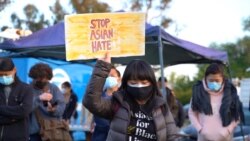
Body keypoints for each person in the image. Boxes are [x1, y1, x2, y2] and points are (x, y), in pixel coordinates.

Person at [83, 53, 179, 141]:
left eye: (144, 83)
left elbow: (172, 136)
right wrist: (102, 67)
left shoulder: (160, 106)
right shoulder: (118, 103)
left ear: (152, 83)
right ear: (126, 83)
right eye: (133, 83)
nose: (139, 86)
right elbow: (91, 102)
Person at [188, 63, 244, 141]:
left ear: (223, 79)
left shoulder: (230, 94)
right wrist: (200, 129)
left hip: (225, 138)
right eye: (211, 80)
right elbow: (192, 113)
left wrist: (228, 130)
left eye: (217, 80)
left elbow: (237, 116)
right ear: (205, 78)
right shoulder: (198, 94)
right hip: (203, 138)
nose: (214, 83)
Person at [28, 63, 66, 141]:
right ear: (34, 77)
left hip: (52, 131)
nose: (42, 80)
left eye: (45, 78)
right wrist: (38, 99)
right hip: (34, 132)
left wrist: (54, 109)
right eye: (39, 78)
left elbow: (61, 107)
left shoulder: (54, 88)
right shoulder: (28, 89)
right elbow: (25, 109)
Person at [0, 58, 33, 141]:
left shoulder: (26, 89)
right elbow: (20, 112)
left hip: (18, 137)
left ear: (14, 70)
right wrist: (12, 118)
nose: (3, 77)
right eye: (0, 75)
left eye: (6, 75)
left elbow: (24, 111)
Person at [92, 66, 121, 141]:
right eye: (107, 76)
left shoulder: (123, 97)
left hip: (116, 134)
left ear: (119, 79)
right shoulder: (98, 96)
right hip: (99, 134)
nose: (109, 78)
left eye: (112, 76)